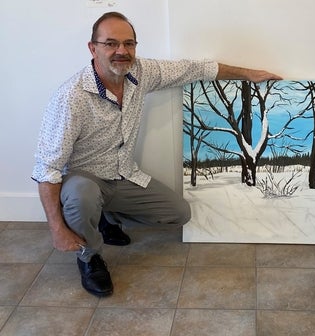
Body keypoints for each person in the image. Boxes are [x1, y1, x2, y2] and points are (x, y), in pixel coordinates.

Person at [31, 11, 282, 297]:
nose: (121, 51)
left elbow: (195, 69)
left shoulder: (140, 73)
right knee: (82, 196)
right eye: (111, 43)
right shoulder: (71, 97)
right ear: (93, 48)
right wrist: (56, 228)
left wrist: (248, 74)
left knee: (178, 213)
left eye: (129, 43)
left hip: (123, 175)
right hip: (83, 180)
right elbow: (46, 167)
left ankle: (106, 217)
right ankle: (90, 258)